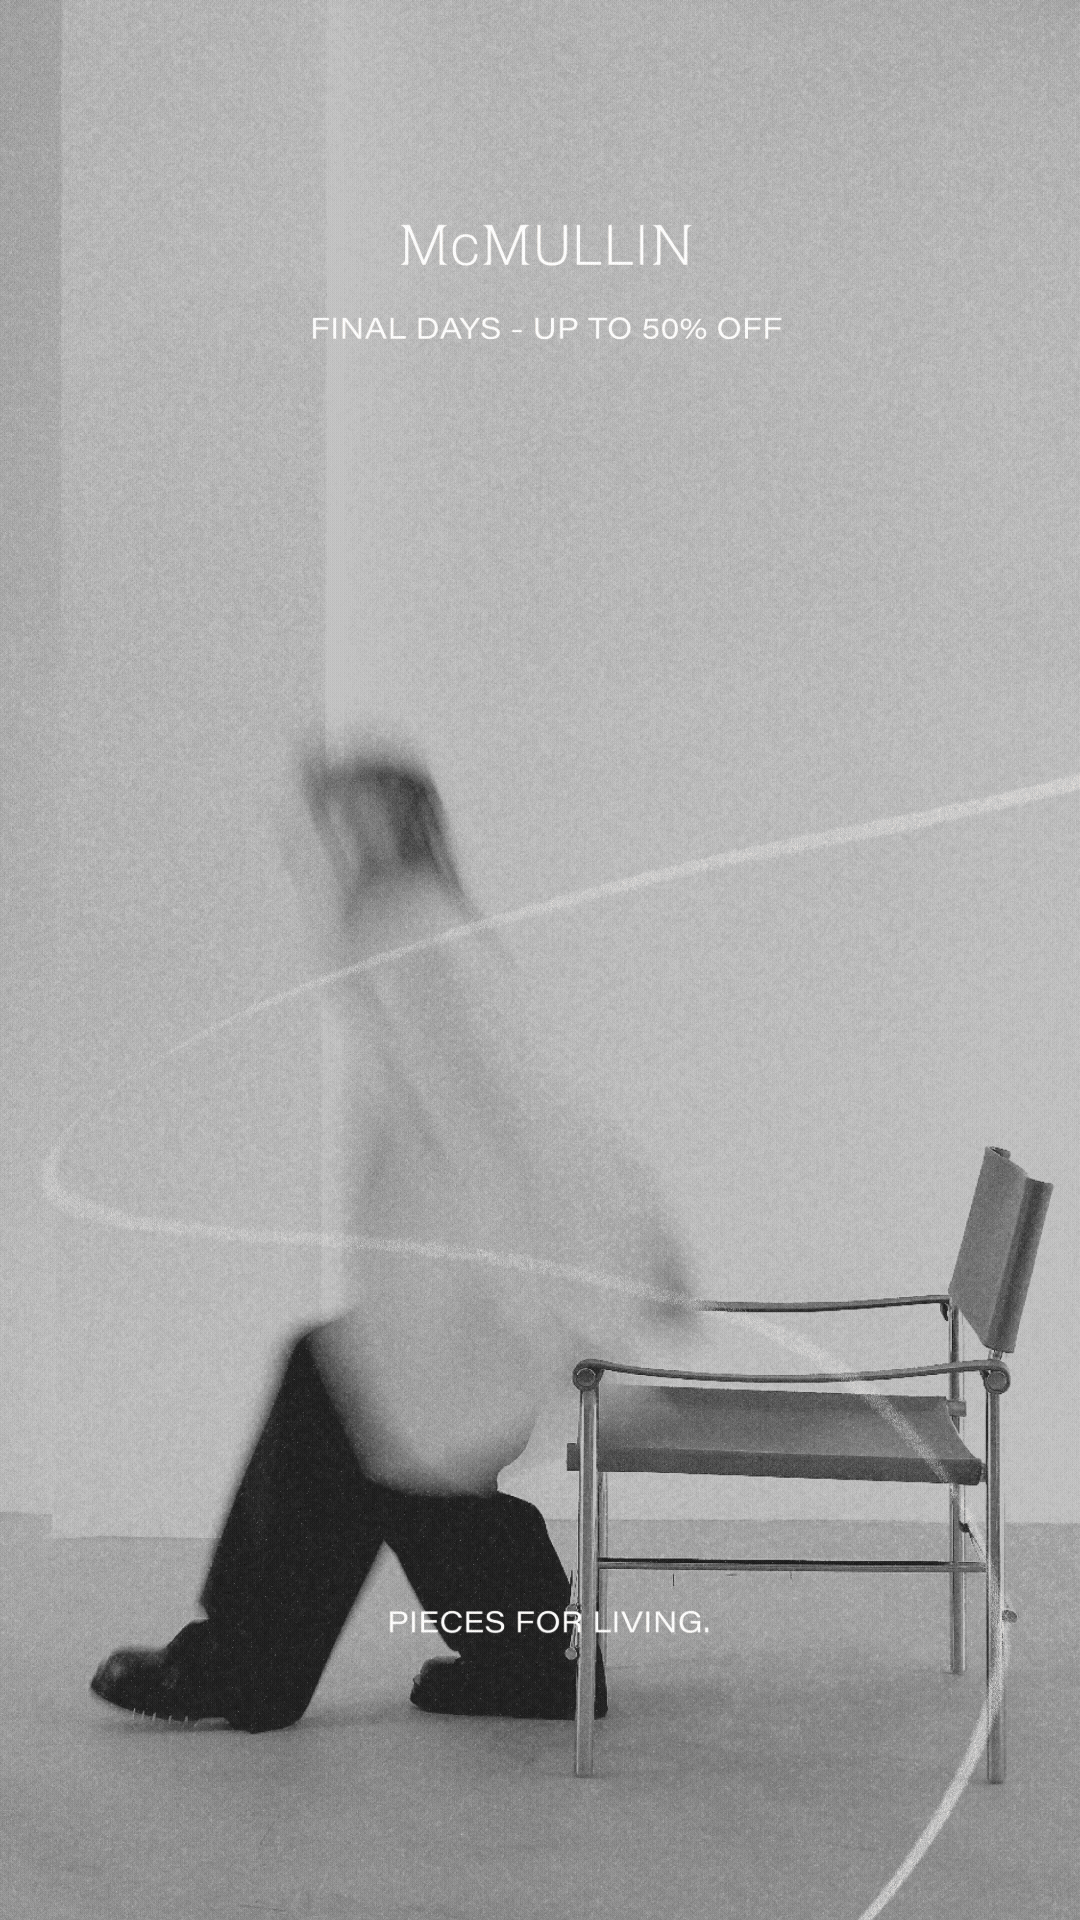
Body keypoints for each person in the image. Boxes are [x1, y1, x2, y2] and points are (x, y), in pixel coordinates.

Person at [91, 740, 699, 1731]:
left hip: (481, 1296)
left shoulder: (410, 931)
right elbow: (531, 1109)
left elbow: (502, 1128)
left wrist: (566, 1314)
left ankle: (243, 1667)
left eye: (350, 824)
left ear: (401, 829)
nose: (329, 846)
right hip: (474, 1296)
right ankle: (532, 1665)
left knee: (347, 1410)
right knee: (401, 1461)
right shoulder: (420, 928)